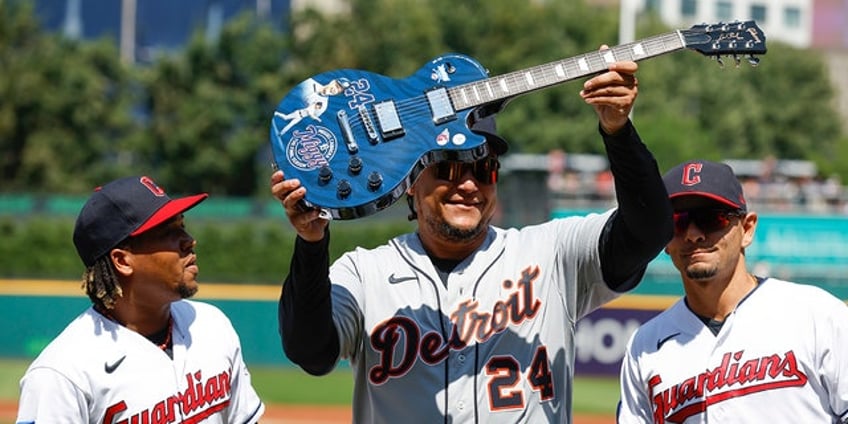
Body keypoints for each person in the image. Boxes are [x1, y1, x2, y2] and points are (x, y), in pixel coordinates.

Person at [271, 58, 673, 423]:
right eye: (448, 167)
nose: (467, 184)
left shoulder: (552, 254)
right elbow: (310, 351)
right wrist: (310, 243)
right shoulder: (365, 273)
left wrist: (618, 132)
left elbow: (649, 230)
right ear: (409, 182)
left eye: (484, 169)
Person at [16, 176, 265, 423]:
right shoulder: (61, 374)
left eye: (183, 226)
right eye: (169, 232)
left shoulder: (211, 325)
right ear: (122, 260)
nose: (189, 241)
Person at [617, 160, 848, 423]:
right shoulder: (645, 346)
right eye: (677, 222)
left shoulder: (817, 315)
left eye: (710, 218)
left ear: (747, 229)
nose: (693, 234)